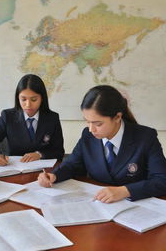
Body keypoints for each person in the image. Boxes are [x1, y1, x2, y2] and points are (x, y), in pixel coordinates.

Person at [38, 85, 166, 203]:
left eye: (98, 124)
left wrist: (125, 191)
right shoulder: (88, 135)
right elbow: (73, 164)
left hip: (135, 207)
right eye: (87, 122)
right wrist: (54, 175)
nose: (91, 129)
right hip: (97, 204)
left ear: (117, 117)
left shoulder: (145, 137)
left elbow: (161, 180)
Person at [0, 74, 64, 166]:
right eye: (23, 99)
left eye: (34, 99)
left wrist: (39, 154)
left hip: (42, 172)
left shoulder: (52, 118)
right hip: (14, 172)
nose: (28, 104)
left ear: (42, 98)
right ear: (18, 98)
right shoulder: (7, 116)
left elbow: (59, 151)